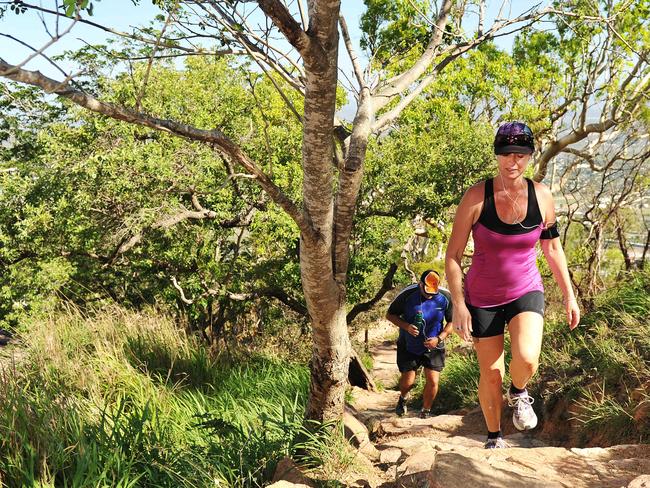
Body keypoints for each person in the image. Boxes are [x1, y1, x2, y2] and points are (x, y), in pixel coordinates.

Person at [444, 121, 580, 449]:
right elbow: (453, 255)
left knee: (528, 358)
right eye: (506, 154)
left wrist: (569, 295)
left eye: (520, 154)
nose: (513, 161)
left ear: (531, 157)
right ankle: (494, 436)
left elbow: (551, 247)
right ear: (497, 156)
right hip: (482, 296)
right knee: (491, 373)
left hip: (526, 289)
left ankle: (519, 391)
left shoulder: (542, 197)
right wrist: (459, 304)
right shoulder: (477, 197)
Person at [386, 269, 453, 419]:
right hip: (409, 344)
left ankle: (425, 411)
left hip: (434, 344)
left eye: (432, 292)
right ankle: (403, 398)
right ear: (420, 284)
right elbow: (390, 315)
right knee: (408, 382)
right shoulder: (407, 294)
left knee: (433, 380)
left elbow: (452, 321)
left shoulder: (445, 296)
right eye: (426, 291)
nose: (429, 295)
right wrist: (407, 327)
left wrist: (440, 338)